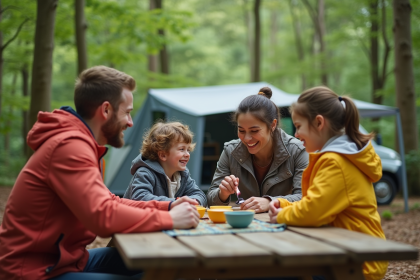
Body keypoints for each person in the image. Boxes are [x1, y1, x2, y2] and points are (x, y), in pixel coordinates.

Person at [0, 66, 200, 280]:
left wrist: (168, 205)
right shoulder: (69, 147)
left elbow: (110, 200)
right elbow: (102, 217)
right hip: (34, 272)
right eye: (127, 112)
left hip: (67, 261)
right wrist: (169, 218)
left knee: (164, 262)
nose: (131, 122)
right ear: (106, 110)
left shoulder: (81, 145)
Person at [268, 86, 388, 280]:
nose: (296, 134)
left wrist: (282, 216)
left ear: (319, 122)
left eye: (298, 126)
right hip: (344, 251)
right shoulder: (338, 158)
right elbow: (318, 203)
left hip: (357, 261)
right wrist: (284, 205)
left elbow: (314, 211)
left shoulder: (336, 162)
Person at [206, 87, 309, 213]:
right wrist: (222, 193)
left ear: (273, 125)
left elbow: (305, 197)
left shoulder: (297, 151)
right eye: (241, 130)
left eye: (254, 131)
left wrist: (270, 202)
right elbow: (210, 200)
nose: (247, 138)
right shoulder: (230, 151)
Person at [123, 121, 207, 206]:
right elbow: (140, 197)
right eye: (182, 149)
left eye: (188, 149)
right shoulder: (145, 173)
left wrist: (194, 201)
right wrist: (174, 203)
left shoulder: (182, 175)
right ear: (163, 155)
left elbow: (200, 194)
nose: (187, 154)